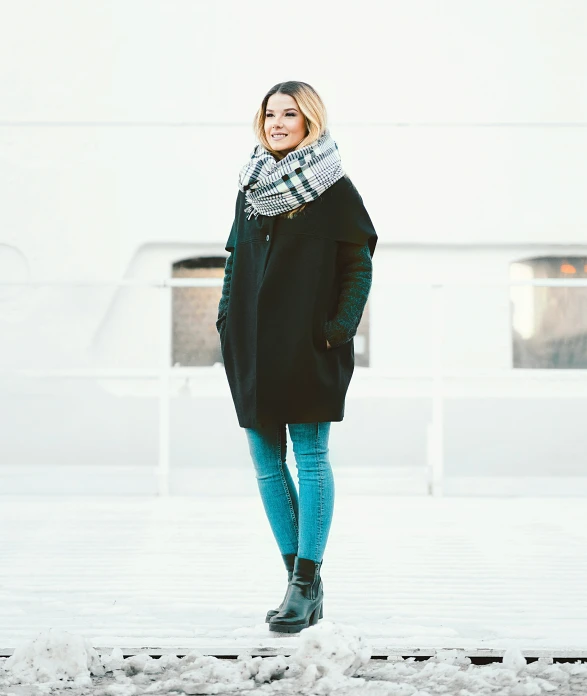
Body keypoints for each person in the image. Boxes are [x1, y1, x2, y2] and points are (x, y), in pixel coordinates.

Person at [216, 81, 378, 633]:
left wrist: (338, 328)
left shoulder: (334, 188)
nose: (277, 122)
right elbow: (234, 257)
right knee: (265, 462)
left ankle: (305, 583)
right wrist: (224, 319)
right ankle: (299, 585)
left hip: (309, 342)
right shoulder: (250, 184)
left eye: (289, 114)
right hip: (252, 343)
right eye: (269, 114)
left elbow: (359, 263)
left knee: (309, 456)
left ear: (310, 120)